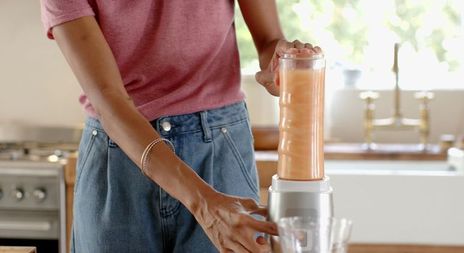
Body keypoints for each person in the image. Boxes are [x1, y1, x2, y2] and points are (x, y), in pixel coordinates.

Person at [40, 0, 320, 252]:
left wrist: (278, 61)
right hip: (119, 153)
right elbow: (109, 99)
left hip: (220, 150)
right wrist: (202, 201)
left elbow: (269, 40)